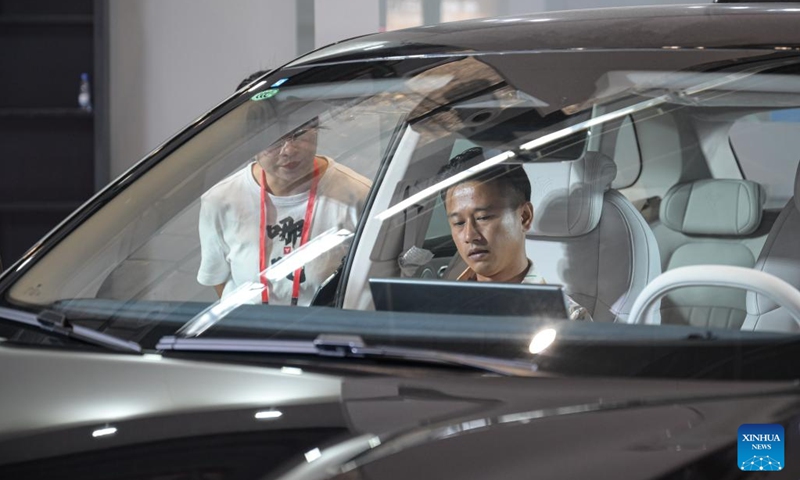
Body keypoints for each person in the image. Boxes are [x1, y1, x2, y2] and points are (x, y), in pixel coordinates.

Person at [197, 109, 371, 305]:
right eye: (273, 140)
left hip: (324, 330)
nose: (288, 150)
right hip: (250, 332)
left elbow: (370, 282)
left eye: (299, 135)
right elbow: (218, 279)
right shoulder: (221, 200)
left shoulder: (359, 195)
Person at [439, 147, 591, 320]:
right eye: (458, 223)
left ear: (524, 217)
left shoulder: (565, 319)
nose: (469, 235)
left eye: (483, 217)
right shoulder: (437, 305)